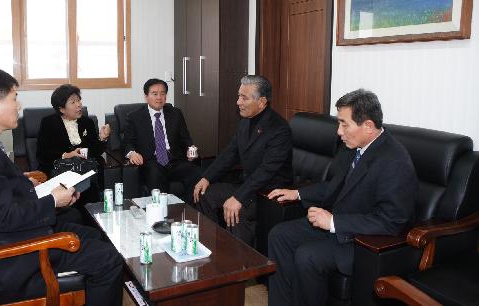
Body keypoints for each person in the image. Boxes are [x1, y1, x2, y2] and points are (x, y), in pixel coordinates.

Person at [0, 69, 123, 305]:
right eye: (14, 98)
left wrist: (25, 183)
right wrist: (54, 200)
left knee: (96, 234)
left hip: (4, 234)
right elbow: (5, 216)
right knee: (109, 259)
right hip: (2, 258)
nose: (19, 105)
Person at [267, 89, 417, 306]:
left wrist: (334, 222)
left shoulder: (394, 161)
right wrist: (298, 193)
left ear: (367, 125)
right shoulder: (353, 148)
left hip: (362, 240)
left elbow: (391, 220)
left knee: (307, 256)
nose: (339, 131)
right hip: (338, 224)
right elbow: (334, 186)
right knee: (279, 235)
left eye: (344, 124)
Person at [193, 75, 293, 245]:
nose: (238, 102)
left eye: (244, 98)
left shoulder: (279, 129)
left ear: (261, 102)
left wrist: (239, 197)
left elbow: (266, 171)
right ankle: (214, 244)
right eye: (239, 96)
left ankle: (241, 262)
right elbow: (230, 153)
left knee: (236, 211)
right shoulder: (245, 120)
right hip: (247, 185)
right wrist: (206, 177)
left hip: (267, 192)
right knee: (204, 194)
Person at [122, 78, 201, 202]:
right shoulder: (134, 117)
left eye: (163, 93)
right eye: (155, 94)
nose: (159, 97)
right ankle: (161, 214)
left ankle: (190, 208)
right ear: (146, 96)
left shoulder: (175, 113)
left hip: (174, 160)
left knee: (196, 173)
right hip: (151, 161)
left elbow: (185, 138)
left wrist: (190, 148)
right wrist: (132, 153)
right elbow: (127, 142)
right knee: (155, 174)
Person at [37, 84, 110, 203]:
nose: (79, 104)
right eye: (73, 102)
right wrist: (66, 155)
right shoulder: (48, 123)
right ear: (61, 109)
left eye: (79, 100)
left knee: (89, 190)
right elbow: (42, 154)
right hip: (62, 172)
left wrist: (102, 138)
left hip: (85, 171)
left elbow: (96, 151)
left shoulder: (87, 122)